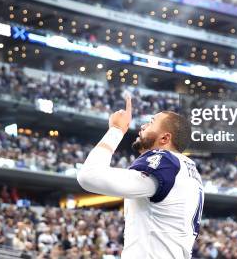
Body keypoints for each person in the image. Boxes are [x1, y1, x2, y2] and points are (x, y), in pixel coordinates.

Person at [77, 96, 204, 259]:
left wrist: (116, 130)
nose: (143, 125)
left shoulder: (166, 161)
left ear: (165, 138)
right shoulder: (188, 169)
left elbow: (89, 176)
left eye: (151, 122)